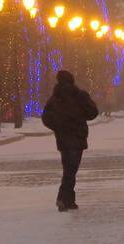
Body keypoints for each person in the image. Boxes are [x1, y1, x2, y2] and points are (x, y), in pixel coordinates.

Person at [41, 70, 98, 212]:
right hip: (77, 137)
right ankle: (63, 199)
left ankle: (69, 200)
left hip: (63, 139)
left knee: (68, 168)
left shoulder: (55, 98)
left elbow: (46, 118)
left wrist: (58, 126)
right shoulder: (80, 95)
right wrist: (79, 118)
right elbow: (93, 112)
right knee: (71, 170)